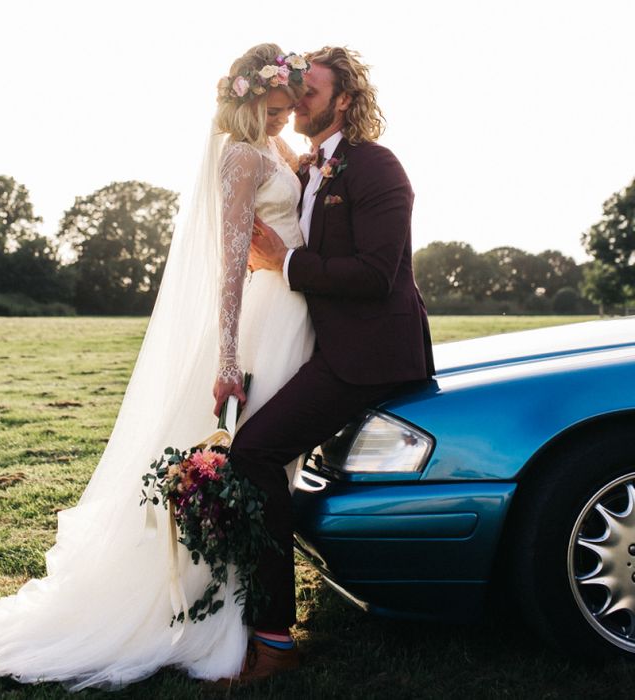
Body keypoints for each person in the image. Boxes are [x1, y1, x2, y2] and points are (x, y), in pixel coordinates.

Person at [0, 43, 315, 691]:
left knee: (280, 469)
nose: (285, 120)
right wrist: (226, 355)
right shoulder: (241, 158)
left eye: (289, 111)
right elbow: (230, 266)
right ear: (254, 100)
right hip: (267, 318)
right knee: (259, 470)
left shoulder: (279, 151)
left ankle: (267, 606)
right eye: (277, 109)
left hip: (300, 308)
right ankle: (240, 613)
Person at [221, 46, 435, 682]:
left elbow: (376, 275)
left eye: (308, 89)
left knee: (253, 453)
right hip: (326, 343)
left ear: (344, 99)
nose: (296, 96)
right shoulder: (309, 165)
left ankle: (274, 641)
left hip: (366, 354)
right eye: (292, 86)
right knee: (263, 453)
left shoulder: (376, 167)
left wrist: (285, 264)